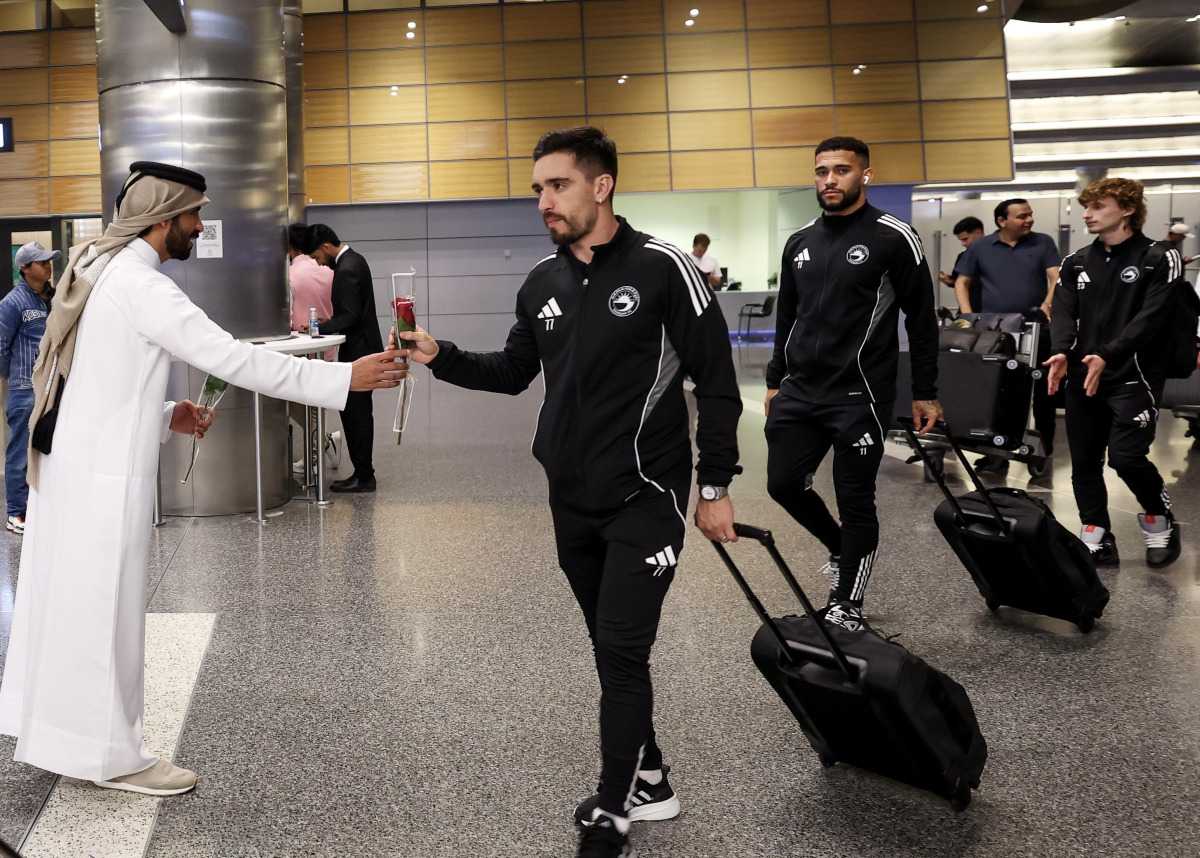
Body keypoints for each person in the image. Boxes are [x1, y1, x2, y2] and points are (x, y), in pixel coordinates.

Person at [0, 162, 404, 797]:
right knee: (107, 614)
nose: (199, 227)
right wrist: (342, 379)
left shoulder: (100, 271)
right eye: (194, 216)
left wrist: (164, 412)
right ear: (166, 221)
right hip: (101, 484)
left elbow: (95, 382)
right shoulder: (141, 286)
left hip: (72, 470)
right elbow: (233, 358)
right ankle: (114, 757)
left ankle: (67, 737)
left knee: (71, 610)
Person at [396, 127, 741, 858]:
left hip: (647, 497)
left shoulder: (664, 268)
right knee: (609, 645)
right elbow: (514, 371)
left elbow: (716, 382)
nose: (544, 202)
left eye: (557, 186)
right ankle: (652, 780)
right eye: (538, 190)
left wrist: (714, 486)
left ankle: (613, 816)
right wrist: (440, 355)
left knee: (620, 651)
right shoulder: (543, 284)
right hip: (570, 499)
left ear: (601, 185)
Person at [764, 136, 941, 633]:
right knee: (783, 484)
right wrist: (777, 379)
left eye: (841, 170)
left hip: (859, 394)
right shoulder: (799, 241)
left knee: (855, 499)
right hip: (800, 390)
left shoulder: (893, 236)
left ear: (865, 174)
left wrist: (924, 390)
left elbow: (921, 319)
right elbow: (787, 317)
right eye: (822, 171)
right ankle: (843, 550)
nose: (829, 180)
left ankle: (847, 603)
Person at [1045, 177, 1183, 569]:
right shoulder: (1076, 263)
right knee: (1084, 462)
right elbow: (1063, 313)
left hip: (1133, 376)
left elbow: (1150, 318)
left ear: (1126, 210)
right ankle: (1097, 535)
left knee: (1125, 458)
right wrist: (1059, 353)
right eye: (1085, 207)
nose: (1087, 214)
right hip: (1083, 376)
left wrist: (1108, 353)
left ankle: (1159, 519)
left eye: (1097, 207)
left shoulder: (1160, 257)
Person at [954, 198, 1062, 469]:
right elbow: (962, 282)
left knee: (1043, 395)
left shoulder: (1043, 242)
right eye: (1022, 216)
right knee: (998, 391)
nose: (1029, 220)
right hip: (998, 332)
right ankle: (995, 453)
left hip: (1038, 330)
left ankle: (1042, 452)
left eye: (1030, 215)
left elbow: (1056, 277)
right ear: (1002, 221)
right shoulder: (980, 247)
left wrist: (1047, 305)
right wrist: (969, 316)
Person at [303, 224, 384, 493]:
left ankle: (365, 476)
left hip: (359, 352)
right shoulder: (355, 259)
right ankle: (363, 473)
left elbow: (350, 317)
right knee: (357, 414)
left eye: (316, 257)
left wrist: (317, 328)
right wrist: (331, 321)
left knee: (356, 416)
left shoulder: (346, 268)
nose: (319, 263)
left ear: (326, 246)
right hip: (364, 347)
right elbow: (354, 311)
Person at [0, 242, 59, 534]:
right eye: (41, 262)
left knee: (45, 449)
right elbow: (0, 346)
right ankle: (16, 513)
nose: (48, 265)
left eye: (49, 261)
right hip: (25, 389)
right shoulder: (12, 303)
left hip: (50, 387)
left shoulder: (49, 298)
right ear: (24, 268)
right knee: (20, 451)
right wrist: (12, 377)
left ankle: (39, 508)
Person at [287, 222, 336, 361]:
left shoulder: (288, 274)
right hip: (329, 344)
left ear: (289, 246)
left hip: (299, 350)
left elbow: (286, 315)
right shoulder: (330, 269)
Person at [938, 215, 985, 312]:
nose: (963, 244)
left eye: (965, 239)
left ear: (979, 233)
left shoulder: (998, 254)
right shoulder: (963, 257)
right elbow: (959, 283)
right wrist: (950, 281)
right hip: (969, 311)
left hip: (991, 312)